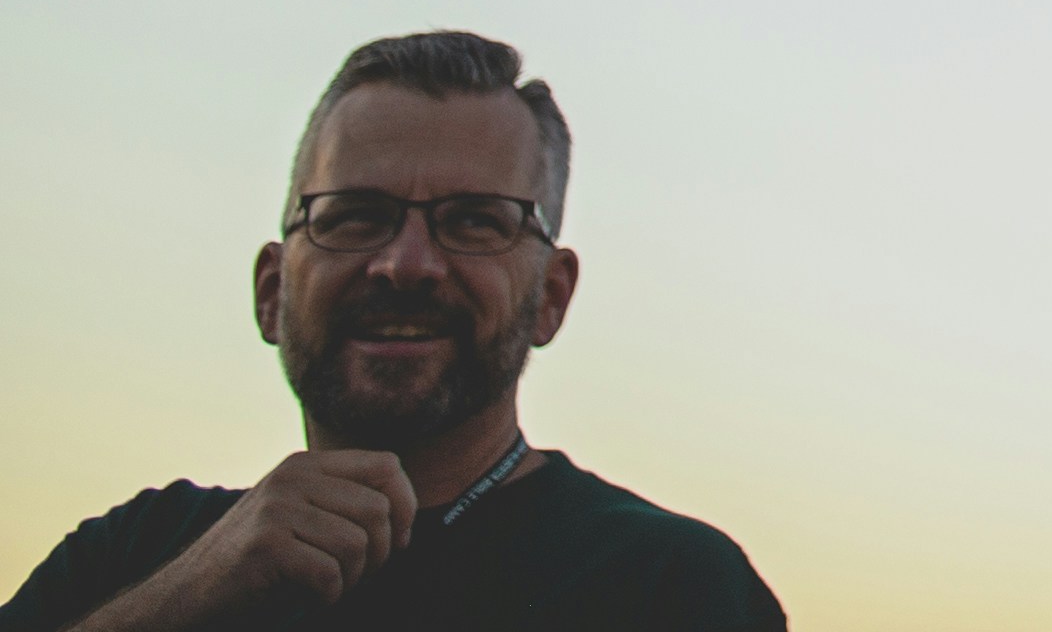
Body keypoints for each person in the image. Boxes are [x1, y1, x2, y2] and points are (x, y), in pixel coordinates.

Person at [4, 33, 780, 630]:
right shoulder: (138, 556)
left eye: (475, 221)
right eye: (355, 216)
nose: (405, 265)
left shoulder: (668, 585)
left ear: (551, 296)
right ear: (272, 291)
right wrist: (184, 597)